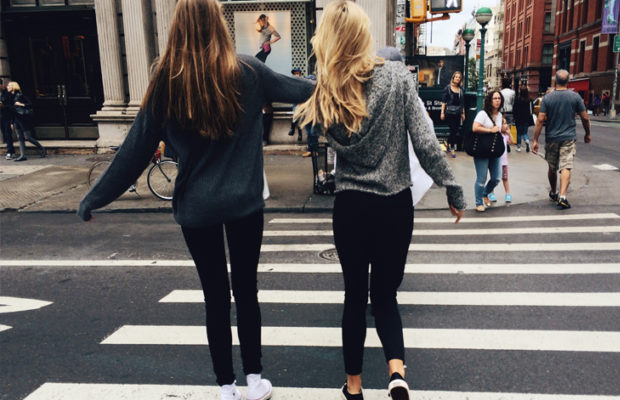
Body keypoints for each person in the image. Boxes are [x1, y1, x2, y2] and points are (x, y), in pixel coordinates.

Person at [77, 1, 314, 399]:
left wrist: (93, 199)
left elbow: (134, 152)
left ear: (178, 26)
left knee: (215, 297)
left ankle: (226, 386)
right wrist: (356, 74)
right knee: (247, 292)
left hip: (197, 208)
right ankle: (255, 380)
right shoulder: (248, 71)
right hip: (243, 203)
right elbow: (306, 90)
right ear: (218, 24)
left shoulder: (166, 80)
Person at [294, 2, 465, 399]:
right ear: (363, 35)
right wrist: (452, 187)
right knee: (386, 296)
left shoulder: (326, 89)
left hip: (351, 206)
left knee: (354, 297)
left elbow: (310, 127)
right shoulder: (397, 77)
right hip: (394, 205)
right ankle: (397, 374)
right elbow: (425, 141)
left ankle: (354, 388)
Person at [532, 69, 591, 210]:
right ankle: (563, 196)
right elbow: (585, 117)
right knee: (566, 166)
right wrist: (587, 133)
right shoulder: (575, 97)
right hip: (568, 137)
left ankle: (554, 192)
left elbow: (540, 120)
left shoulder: (547, 98)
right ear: (568, 81)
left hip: (551, 138)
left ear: (555, 81)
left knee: (552, 167)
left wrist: (535, 140)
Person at [471, 90, 508, 212]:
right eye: (495, 98)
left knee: (497, 178)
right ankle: (478, 202)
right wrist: (490, 130)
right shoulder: (482, 114)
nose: (497, 101)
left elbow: (498, 131)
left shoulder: (500, 115)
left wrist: (503, 130)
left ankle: (485, 193)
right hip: (482, 150)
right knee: (481, 179)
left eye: (499, 98)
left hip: (495, 150)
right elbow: (475, 127)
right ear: (490, 100)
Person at [7, 81, 46, 161]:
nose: (7, 86)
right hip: (16, 120)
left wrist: (21, 104)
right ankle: (23, 155)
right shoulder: (10, 96)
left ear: (13, 87)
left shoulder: (20, 95)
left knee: (28, 137)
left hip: (23, 119)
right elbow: (11, 111)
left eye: (9, 85)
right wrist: (11, 122)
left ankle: (42, 148)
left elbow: (30, 104)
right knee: (20, 138)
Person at [440, 70, 465, 157]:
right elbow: (443, 102)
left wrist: (463, 113)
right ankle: (452, 149)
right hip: (449, 113)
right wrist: (442, 113)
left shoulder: (461, 89)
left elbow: (462, 103)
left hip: (458, 113)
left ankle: (447, 142)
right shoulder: (447, 88)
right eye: (456, 77)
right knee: (453, 130)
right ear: (453, 78)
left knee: (455, 130)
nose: (458, 78)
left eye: (459, 77)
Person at [513, 87, 534, 152]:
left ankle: (519, 148)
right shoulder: (530, 100)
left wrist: (514, 117)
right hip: (526, 118)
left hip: (518, 118)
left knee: (519, 133)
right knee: (525, 132)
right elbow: (532, 109)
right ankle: (526, 140)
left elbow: (514, 109)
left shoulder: (517, 99)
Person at [1, 79, 17, 160]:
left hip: (7, 117)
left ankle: (9, 152)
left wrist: (3, 106)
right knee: (5, 135)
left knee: (8, 135)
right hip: (1, 117)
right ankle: (12, 152)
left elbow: (12, 106)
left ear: (1, 85)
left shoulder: (7, 93)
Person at [288, 68, 303, 141]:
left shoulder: (303, 82)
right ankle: (299, 133)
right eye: (295, 73)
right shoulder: (292, 82)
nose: (296, 75)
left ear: (300, 74)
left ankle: (293, 128)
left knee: (298, 116)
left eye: (297, 73)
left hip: (302, 103)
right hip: (295, 102)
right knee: (296, 114)